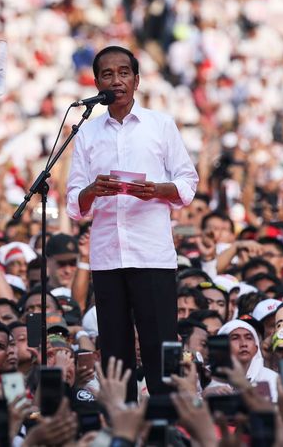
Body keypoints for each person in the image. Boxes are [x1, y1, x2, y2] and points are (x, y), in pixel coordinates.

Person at [66, 45, 198, 401]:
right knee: (115, 350)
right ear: (96, 83)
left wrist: (158, 190)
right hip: (108, 256)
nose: (116, 80)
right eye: (107, 74)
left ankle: (166, 423)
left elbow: (188, 184)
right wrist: (93, 191)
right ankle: (120, 425)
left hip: (152, 254)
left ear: (136, 80)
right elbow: (73, 204)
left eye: (124, 73)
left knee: (161, 348)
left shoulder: (161, 125)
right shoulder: (87, 133)